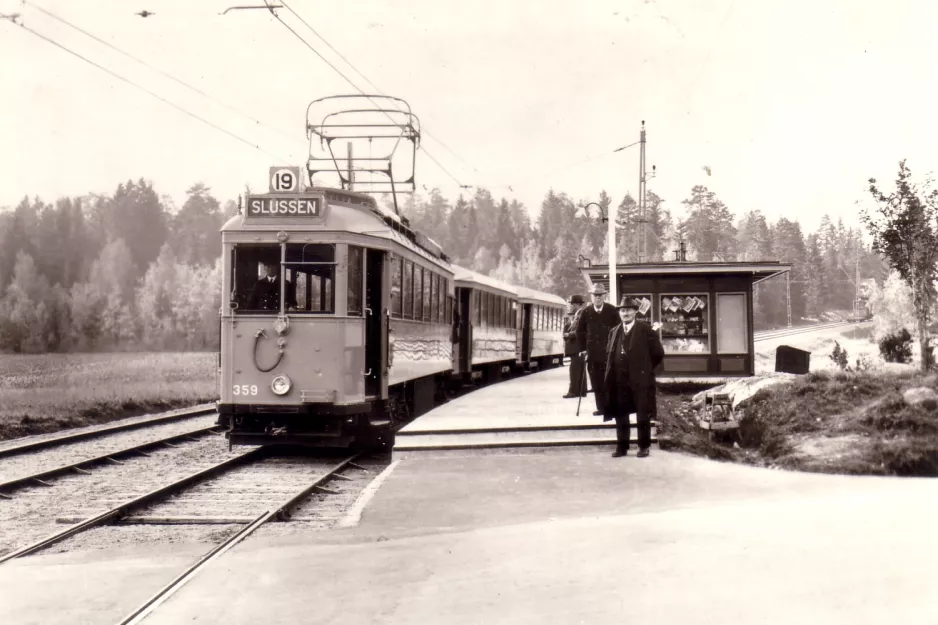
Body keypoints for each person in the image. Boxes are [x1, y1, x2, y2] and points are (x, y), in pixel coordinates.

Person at [603, 296, 664, 458]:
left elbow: (658, 353)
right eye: (622, 310)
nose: (625, 313)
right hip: (619, 380)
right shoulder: (614, 332)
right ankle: (622, 447)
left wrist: (645, 369)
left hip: (640, 380)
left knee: (642, 414)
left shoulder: (646, 330)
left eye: (629, 310)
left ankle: (643, 447)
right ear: (619, 313)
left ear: (635, 312)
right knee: (621, 414)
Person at [575, 283, 620, 416]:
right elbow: (579, 332)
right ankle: (601, 408)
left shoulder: (612, 311)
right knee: (596, 381)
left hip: (609, 353)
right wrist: (582, 349)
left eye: (600, 295)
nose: (598, 298)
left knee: (610, 380)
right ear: (592, 296)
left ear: (604, 296)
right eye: (595, 295)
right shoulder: (586, 312)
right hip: (593, 353)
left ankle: (612, 407)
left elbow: (618, 330)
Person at [562, 294, 587, 398]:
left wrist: (568, 335)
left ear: (577, 304)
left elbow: (579, 331)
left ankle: (573, 391)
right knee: (580, 369)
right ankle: (582, 391)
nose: (570, 305)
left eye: (572, 303)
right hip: (578, 347)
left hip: (576, 346)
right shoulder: (578, 314)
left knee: (574, 371)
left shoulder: (580, 314)